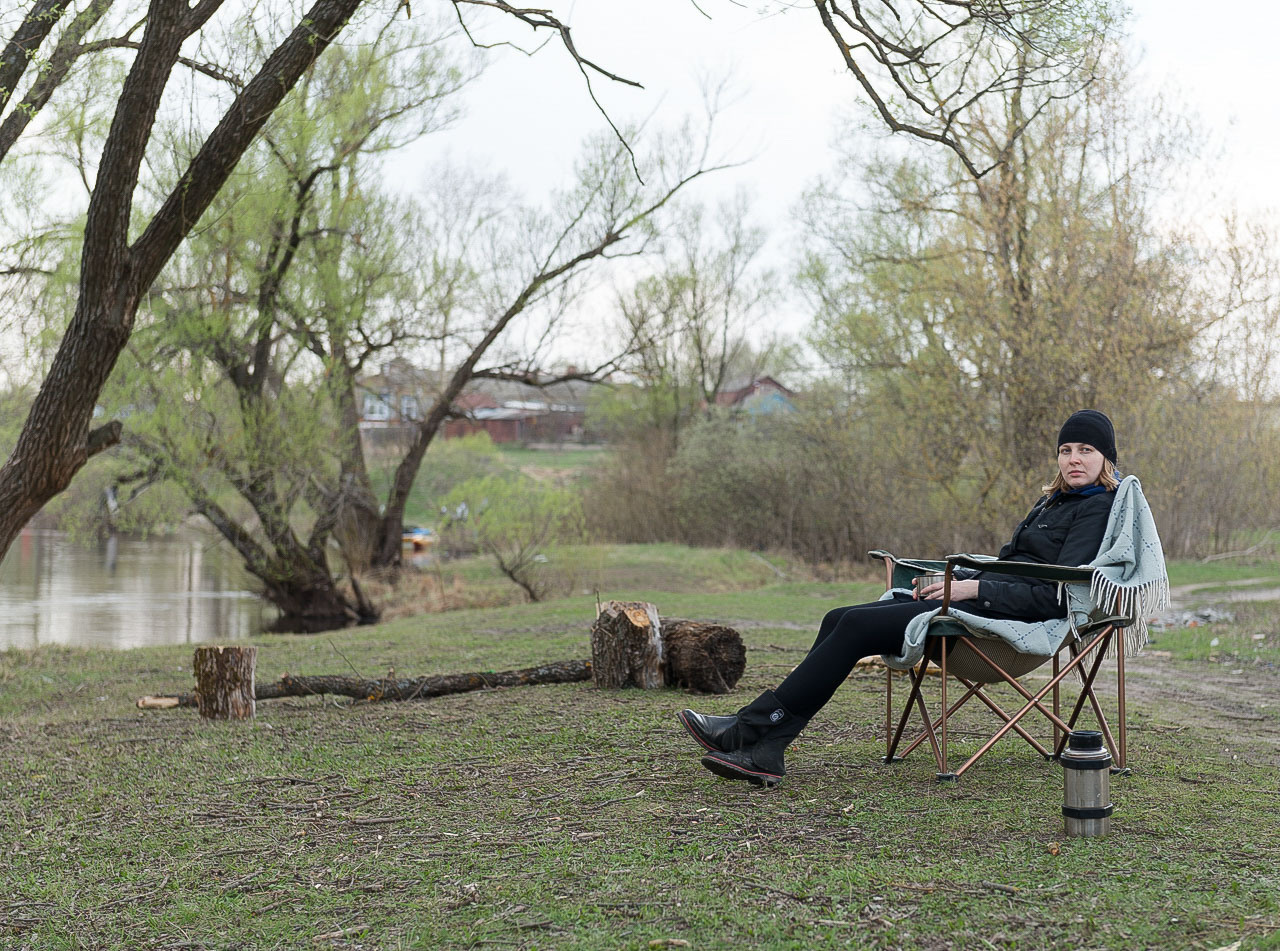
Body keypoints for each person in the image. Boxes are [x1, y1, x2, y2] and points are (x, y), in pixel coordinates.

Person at [678, 409, 1122, 787]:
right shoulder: (1052, 503)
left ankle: (753, 730)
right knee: (838, 616)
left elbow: (1054, 595)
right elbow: (1011, 564)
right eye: (1066, 450)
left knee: (854, 628)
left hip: (1007, 622)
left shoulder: (1096, 507)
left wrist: (972, 588)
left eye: (1085, 450)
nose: (1073, 459)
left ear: (1105, 458)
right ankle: (767, 746)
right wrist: (951, 577)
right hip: (982, 599)